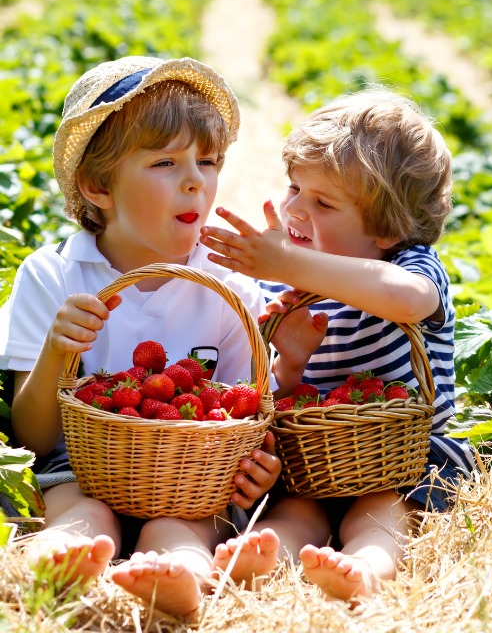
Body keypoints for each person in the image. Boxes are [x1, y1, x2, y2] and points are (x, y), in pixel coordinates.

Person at [0, 56, 281, 617]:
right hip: (80, 470)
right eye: (165, 162)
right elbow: (31, 439)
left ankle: (179, 577)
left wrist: (257, 464)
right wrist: (59, 352)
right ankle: (61, 559)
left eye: (207, 161)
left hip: (190, 483)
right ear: (97, 186)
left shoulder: (228, 288)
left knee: (181, 527)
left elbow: (242, 417)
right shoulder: (53, 276)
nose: (194, 180)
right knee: (80, 512)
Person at [199, 88, 474, 602]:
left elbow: (409, 300)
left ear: (389, 229)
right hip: (317, 466)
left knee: (383, 511)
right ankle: (265, 560)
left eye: (323, 202)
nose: (295, 209)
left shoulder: (410, 269)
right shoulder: (292, 292)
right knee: (294, 512)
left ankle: (367, 568)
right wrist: (293, 361)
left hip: (403, 461)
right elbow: (283, 397)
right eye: (294, 189)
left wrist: (288, 264)